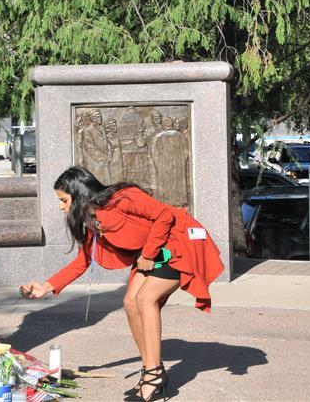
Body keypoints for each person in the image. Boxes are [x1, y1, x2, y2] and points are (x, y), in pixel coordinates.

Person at [19, 166, 224, 402]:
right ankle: (152, 368)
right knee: (130, 302)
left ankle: (154, 375)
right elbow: (82, 261)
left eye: (64, 200)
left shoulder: (123, 198)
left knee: (145, 299)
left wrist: (148, 254)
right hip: (151, 255)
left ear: (79, 194)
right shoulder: (93, 221)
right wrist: (46, 286)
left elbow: (165, 215)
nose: (60, 206)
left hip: (176, 246)